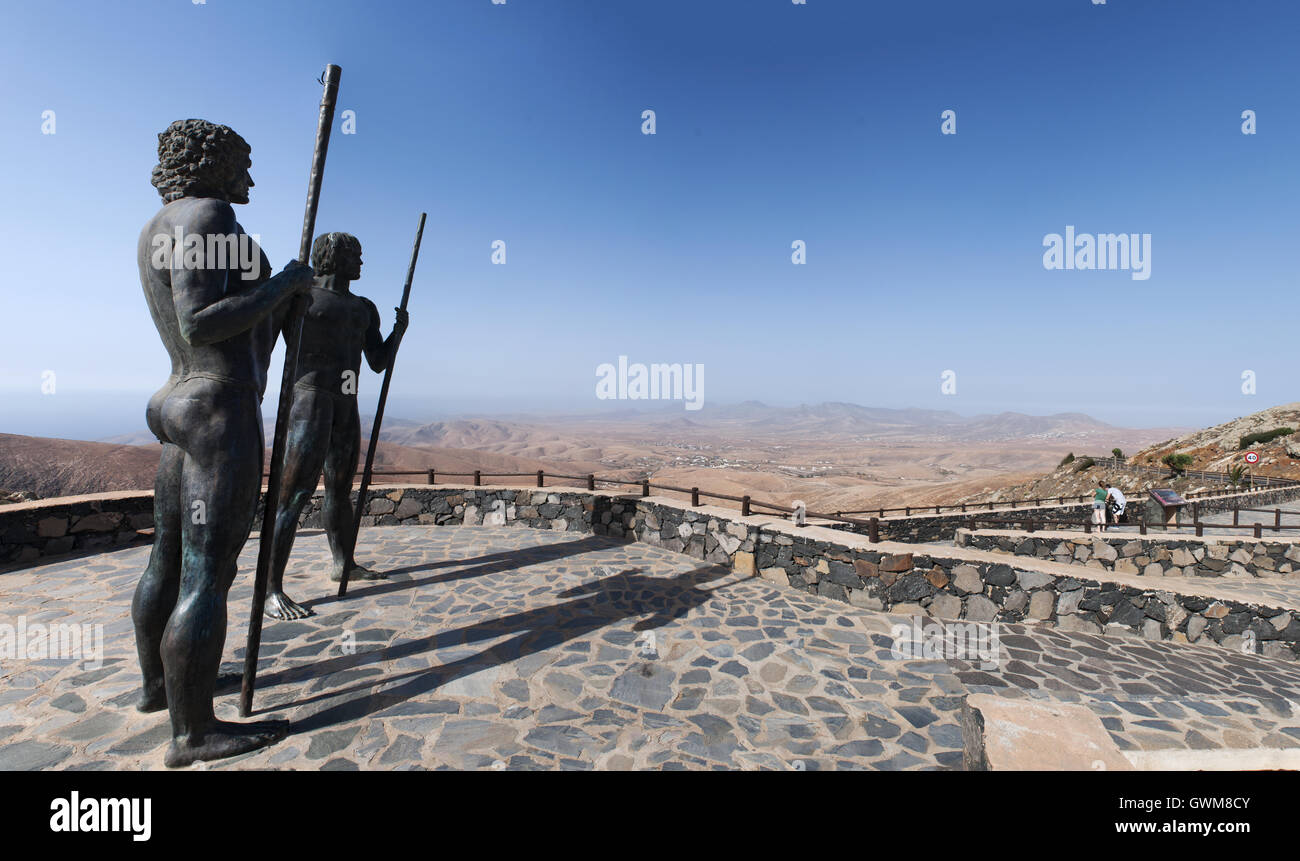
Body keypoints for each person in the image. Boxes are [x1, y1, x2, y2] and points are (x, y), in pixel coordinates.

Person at [132, 119, 313, 766]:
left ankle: (160, 688)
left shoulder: (159, 223)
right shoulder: (209, 214)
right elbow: (200, 321)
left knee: (167, 560)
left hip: (177, 401)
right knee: (209, 573)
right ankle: (194, 730)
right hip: (220, 408)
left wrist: (278, 302)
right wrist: (282, 285)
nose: (250, 178)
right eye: (243, 162)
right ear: (209, 160)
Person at [262, 232, 409, 620]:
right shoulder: (300, 296)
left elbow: (377, 361)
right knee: (293, 494)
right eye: (354, 255)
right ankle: (270, 588)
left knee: (340, 489)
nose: (361, 262)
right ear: (332, 257)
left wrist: (398, 333)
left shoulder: (364, 308)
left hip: (346, 400)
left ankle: (343, 563)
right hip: (309, 399)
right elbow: (261, 348)